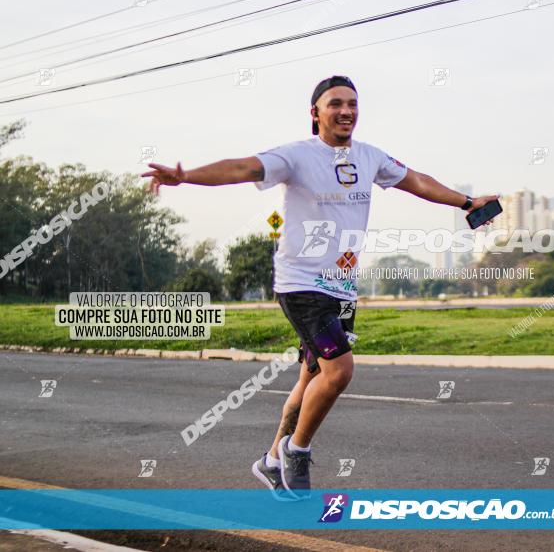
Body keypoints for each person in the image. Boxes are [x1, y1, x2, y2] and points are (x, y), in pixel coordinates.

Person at [142, 75, 497, 499]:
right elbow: (242, 168)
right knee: (339, 370)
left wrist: (465, 203)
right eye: (335, 104)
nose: (346, 111)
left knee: (311, 375)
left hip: (342, 287)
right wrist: (188, 177)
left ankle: (272, 461)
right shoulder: (296, 156)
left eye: (352, 104)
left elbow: (416, 180)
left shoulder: (370, 157)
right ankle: (297, 450)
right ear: (315, 113)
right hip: (301, 284)